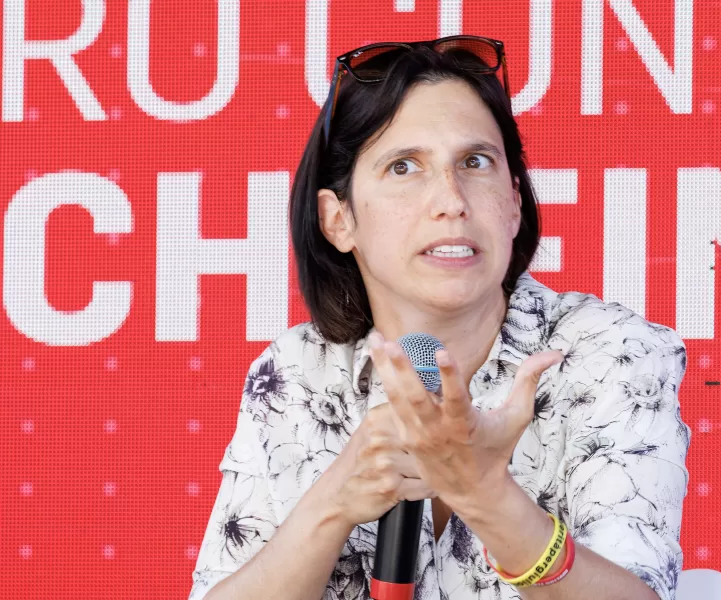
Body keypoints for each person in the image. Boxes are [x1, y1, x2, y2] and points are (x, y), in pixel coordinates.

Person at [189, 36, 690, 600]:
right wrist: (331, 506)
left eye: (475, 163)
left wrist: (488, 497)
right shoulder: (297, 372)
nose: (451, 200)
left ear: (514, 201)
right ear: (338, 220)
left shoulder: (609, 352)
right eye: (404, 167)